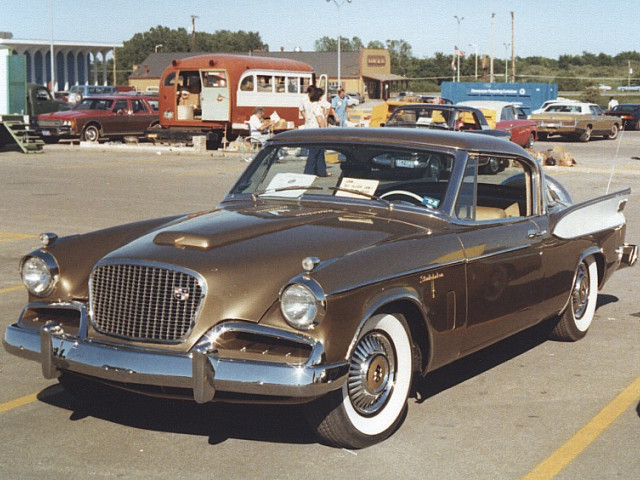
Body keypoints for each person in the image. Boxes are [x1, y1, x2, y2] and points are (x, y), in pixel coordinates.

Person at [303, 87, 330, 177]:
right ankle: (309, 172)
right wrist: (325, 130)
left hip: (309, 130)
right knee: (314, 153)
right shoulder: (316, 106)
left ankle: (321, 171)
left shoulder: (309, 105)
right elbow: (320, 120)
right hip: (316, 132)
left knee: (319, 151)